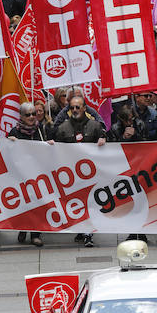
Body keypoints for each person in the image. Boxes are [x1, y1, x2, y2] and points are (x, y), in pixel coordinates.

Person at [55, 95, 106, 247]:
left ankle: (88, 234)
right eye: (72, 108)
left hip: (90, 174)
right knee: (77, 203)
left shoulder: (95, 126)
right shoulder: (63, 128)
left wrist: (104, 140)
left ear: (85, 108)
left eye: (78, 107)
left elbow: (107, 143)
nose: (75, 110)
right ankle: (81, 230)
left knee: (90, 202)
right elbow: (57, 149)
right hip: (71, 174)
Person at [8, 102, 53, 248]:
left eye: (34, 113)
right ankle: (23, 227)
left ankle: (35, 234)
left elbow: (49, 147)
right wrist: (11, 143)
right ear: (21, 116)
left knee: (38, 203)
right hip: (21, 175)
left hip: (38, 174)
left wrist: (50, 144)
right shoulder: (14, 132)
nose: (32, 117)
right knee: (24, 203)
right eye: (28, 114)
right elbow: (7, 153)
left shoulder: (41, 129)